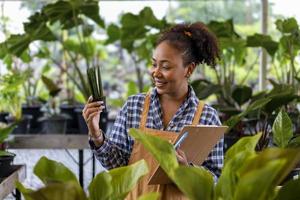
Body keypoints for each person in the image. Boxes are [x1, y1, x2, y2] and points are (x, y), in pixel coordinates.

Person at [82, 22, 223, 199]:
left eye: (165, 67)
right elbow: (119, 167)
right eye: (154, 64)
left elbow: (215, 180)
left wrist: (188, 171)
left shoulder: (207, 117)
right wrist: (96, 134)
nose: (156, 73)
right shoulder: (134, 106)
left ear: (189, 69)